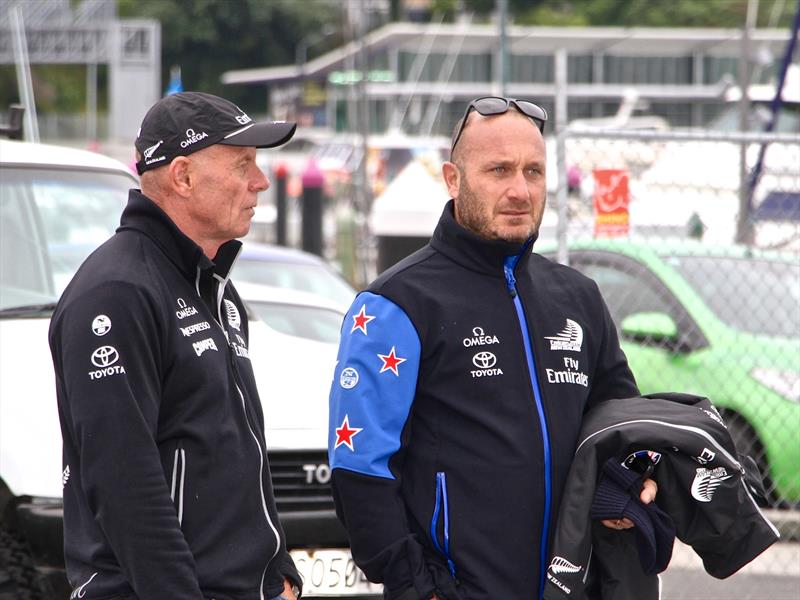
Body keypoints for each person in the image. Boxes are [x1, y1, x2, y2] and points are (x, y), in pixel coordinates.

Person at [327, 97, 656, 600]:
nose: (519, 190)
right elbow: (360, 469)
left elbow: (618, 426)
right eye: (498, 170)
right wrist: (418, 588)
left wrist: (635, 479)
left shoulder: (578, 296)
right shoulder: (396, 303)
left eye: (533, 171)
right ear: (454, 179)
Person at [49, 92, 302, 600]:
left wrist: (280, 573)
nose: (261, 182)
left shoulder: (211, 287)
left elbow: (240, 451)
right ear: (183, 177)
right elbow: (123, 481)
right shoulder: (117, 293)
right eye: (243, 165)